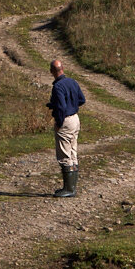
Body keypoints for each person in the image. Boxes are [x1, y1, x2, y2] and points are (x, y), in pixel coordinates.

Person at [46, 59, 85, 198]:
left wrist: (59, 121)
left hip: (66, 120)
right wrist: (71, 105)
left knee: (64, 154)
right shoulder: (72, 82)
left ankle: (69, 189)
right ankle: (71, 187)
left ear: (52, 71)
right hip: (75, 118)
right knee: (73, 152)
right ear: (62, 68)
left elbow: (61, 107)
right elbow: (82, 100)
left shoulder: (58, 87)